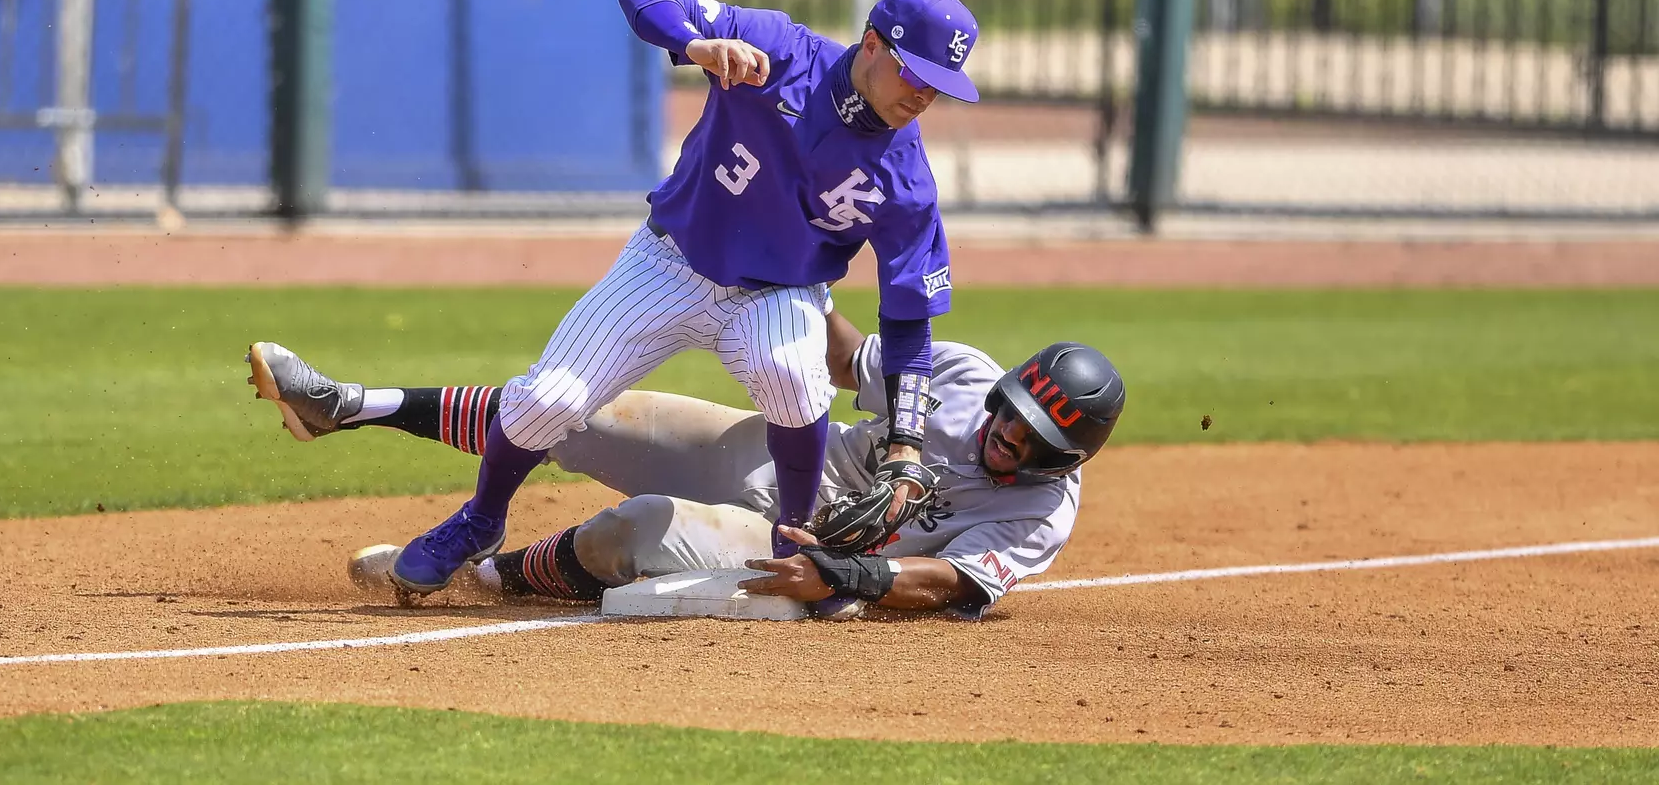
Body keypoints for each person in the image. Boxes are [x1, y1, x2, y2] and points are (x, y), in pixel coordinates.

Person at [248, 0, 982, 597]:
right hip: (668, 262)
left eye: (941, 87)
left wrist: (908, 444)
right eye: (916, 72)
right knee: (549, 401)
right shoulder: (781, 49)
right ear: (875, 42)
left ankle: (797, 541)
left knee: (792, 375)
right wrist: (695, 45)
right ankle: (482, 519)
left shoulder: (906, 180)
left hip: (779, 294)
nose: (924, 96)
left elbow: (910, 320)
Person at [252, 308, 1125, 620]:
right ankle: (344, 406)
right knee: (573, 409)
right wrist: (795, 276)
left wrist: (849, 572)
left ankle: (490, 577)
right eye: (1008, 418)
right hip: (791, 462)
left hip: (802, 549)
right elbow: (844, 362)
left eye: (1027, 445)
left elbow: (956, 583)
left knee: (635, 531)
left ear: (1062, 459)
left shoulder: (1044, 514)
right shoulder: (965, 374)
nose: (1002, 439)